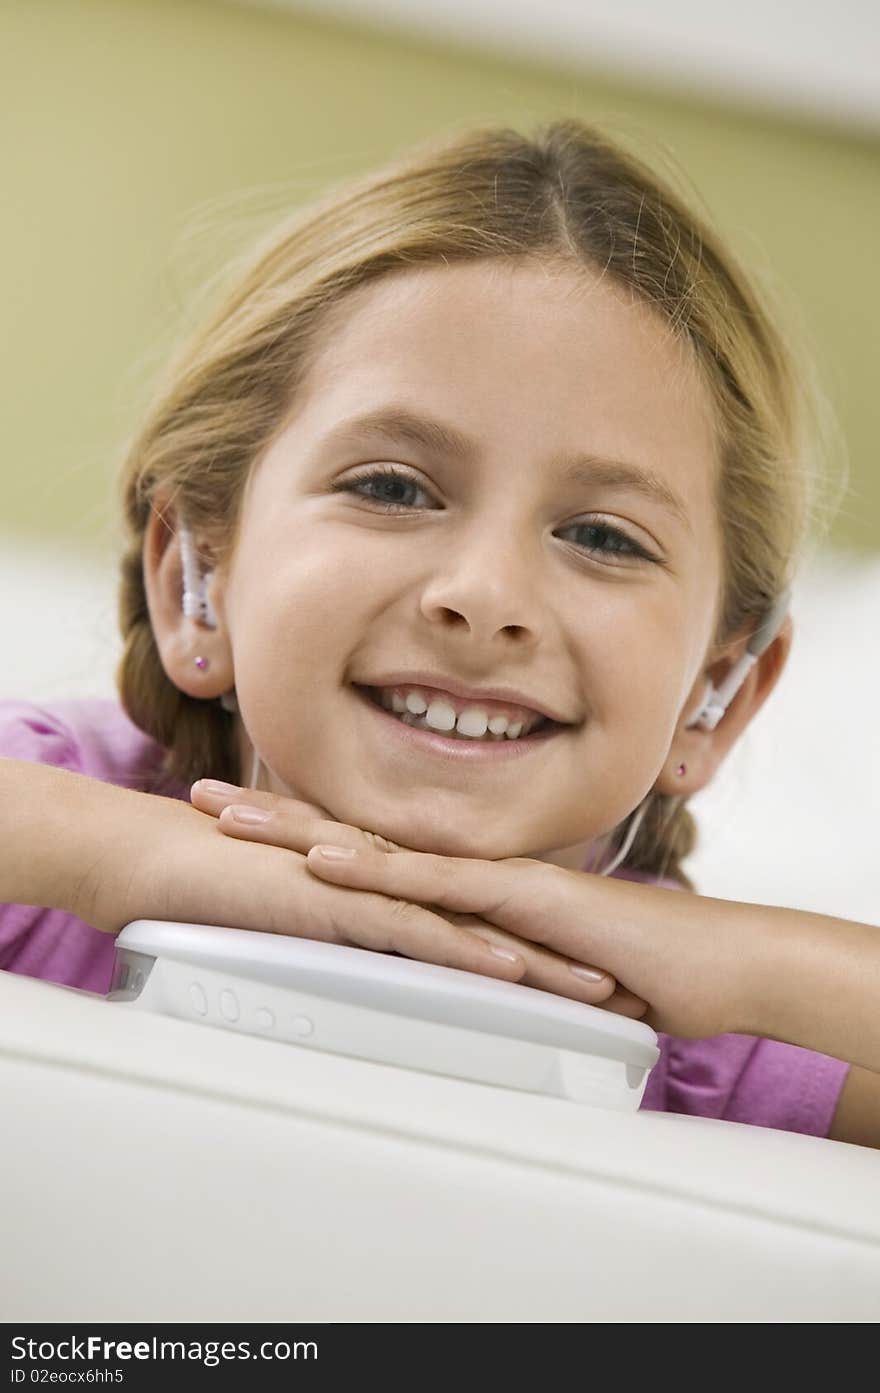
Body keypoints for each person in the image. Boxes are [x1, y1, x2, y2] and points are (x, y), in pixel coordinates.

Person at [2, 120, 877, 1148]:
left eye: (603, 535)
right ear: (196, 577)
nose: (485, 593)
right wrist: (125, 863)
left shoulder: (712, 1037)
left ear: (715, 694)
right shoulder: (54, 846)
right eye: (391, 486)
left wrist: (751, 965)